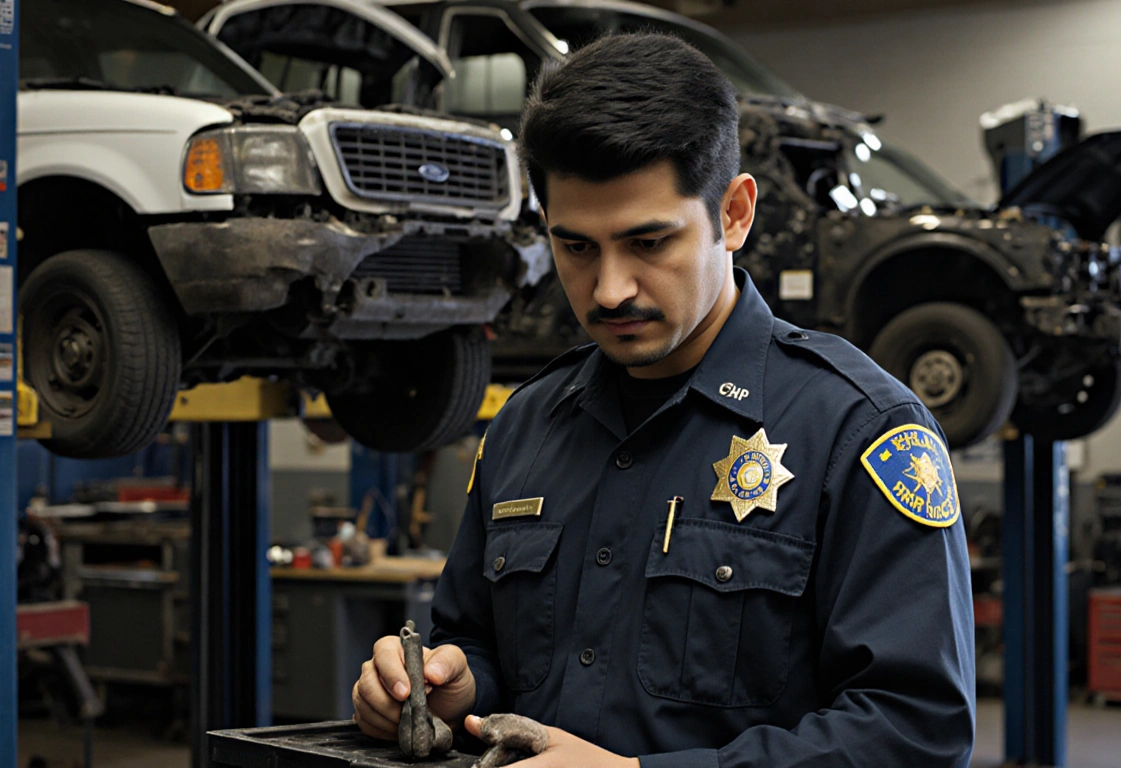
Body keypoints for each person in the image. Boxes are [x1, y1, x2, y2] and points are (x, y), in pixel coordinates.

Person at [352, 32, 975, 768]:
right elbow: (479, 643)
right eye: (576, 247)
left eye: (649, 243)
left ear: (735, 214)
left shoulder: (858, 433)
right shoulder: (527, 425)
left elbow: (914, 734)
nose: (610, 289)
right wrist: (449, 689)